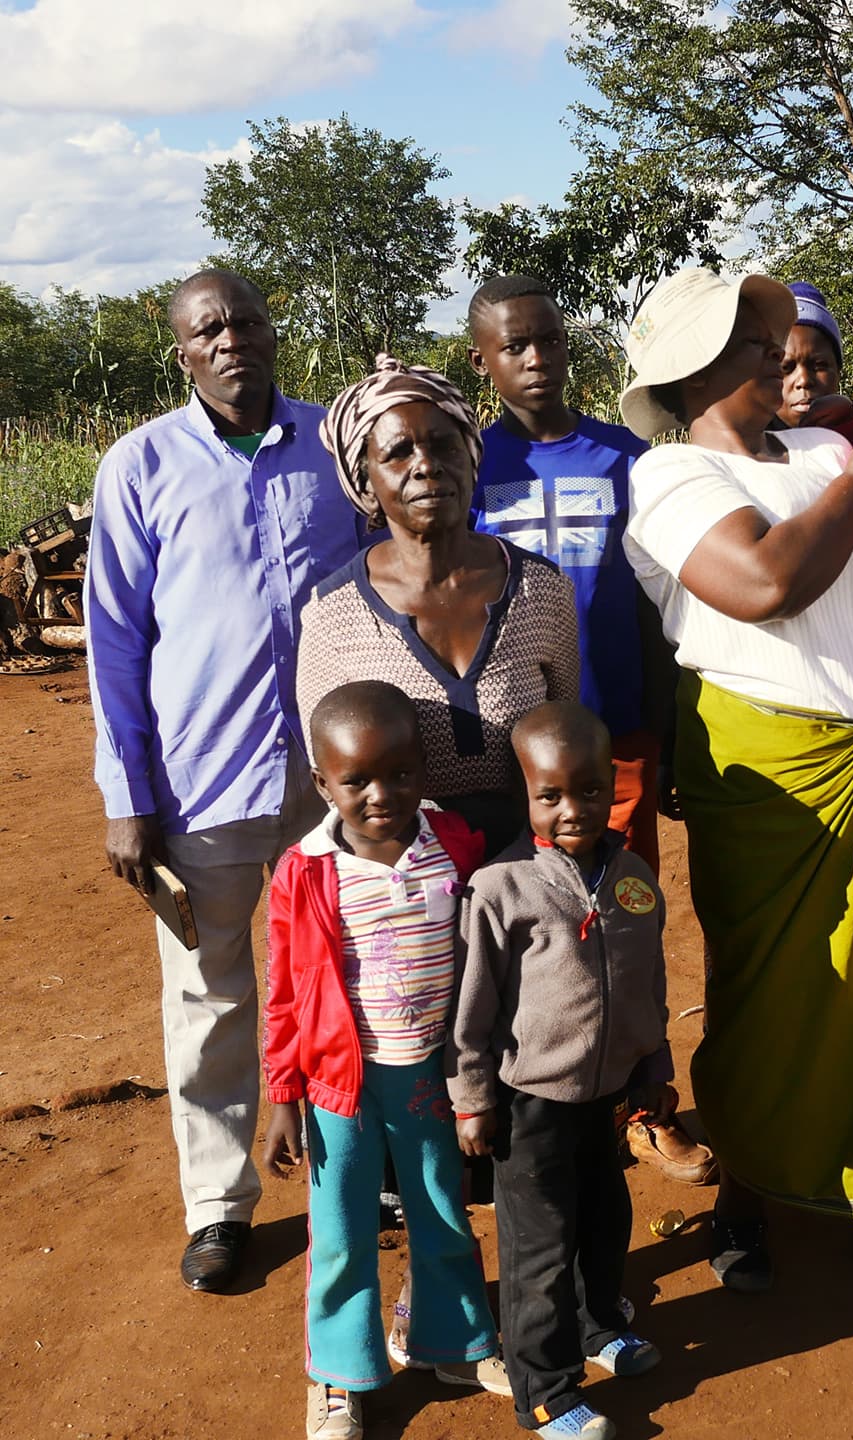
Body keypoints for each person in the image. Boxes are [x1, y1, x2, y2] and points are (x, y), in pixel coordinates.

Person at [619, 268, 853, 1296]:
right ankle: (750, 1191)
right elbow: (764, 584)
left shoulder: (823, 448)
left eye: (775, 341)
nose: (778, 357)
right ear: (695, 369)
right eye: (750, 344)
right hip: (770, 775)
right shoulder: (670, 476)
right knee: (772, 994)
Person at [84, 268, 362, 1293]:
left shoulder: (336, 443)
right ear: (184, 354)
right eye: (210, 329)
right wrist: (127, 794)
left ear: (270, 331)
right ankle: (218, 1203)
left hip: (337, 780)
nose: (232, 338)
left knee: (346, 971)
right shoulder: (141, 463)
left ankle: (355, 1168)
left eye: (246, 319)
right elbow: (114, 638)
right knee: (211, 994)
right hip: (202, 781)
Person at [465, 273, 713, 1187]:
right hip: (510, 750)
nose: (535, 360)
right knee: (521, 934)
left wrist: (667, 728)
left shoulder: (629, 458)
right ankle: (537, 1112)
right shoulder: (469, 466)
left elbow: (654, 608)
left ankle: (646, 1107)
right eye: (512, 347)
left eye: (549, 340)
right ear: (483, 362)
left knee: (625, 925)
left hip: (618, 740)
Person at [261, 681, 508, 1440]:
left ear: (424, 771)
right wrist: (283, 1096)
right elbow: (283, 994)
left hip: (429, 1074)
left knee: (441, 1209)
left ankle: (455, 1343)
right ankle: (338, 1376)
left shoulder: (454, 843)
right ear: (321, 783)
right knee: (341, 1230)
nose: (380, 794)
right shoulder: (306, 873)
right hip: (341, 1087)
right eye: (356, 780)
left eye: (399, 774)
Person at [451, 702, 671, 1440]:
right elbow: (472, 1008)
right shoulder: (500, 886)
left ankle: (600, 1327)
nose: (572, 809)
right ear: (525, 796)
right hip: (529, 1102)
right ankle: (543, 1390)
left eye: (588, 791)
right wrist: (473, 1097)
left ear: (613, 785)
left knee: (606, 1219)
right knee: (539, 1248)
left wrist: (654, 1067)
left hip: (607, 1093)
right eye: (550, 795)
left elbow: (651, 979)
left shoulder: (635, 875)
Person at [298, 355, 580, 851]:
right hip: (407, 891)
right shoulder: (332, 616)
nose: (427, 465)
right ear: (365, 481)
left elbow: (563, 738)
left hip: (530, 875)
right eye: (399, 453)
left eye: (445, 445)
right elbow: (334, 776)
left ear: (470, 458)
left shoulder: (541, 589)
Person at [773, 280, 853, 443]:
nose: (804, 380)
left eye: (819, 366)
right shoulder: (745, 450)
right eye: (786, 368)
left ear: (838, 370)